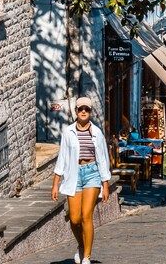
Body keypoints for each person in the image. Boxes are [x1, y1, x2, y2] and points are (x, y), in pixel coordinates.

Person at [51, 96, 112, 264]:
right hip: (74, 175)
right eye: (80, 109)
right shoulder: (68, 132)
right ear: (76, 112)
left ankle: (87, 256)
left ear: (90, 112)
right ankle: (81, 244)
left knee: (86, 215)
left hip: (92, 173)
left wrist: (105, 184)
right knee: (74, 218)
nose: (83, 111)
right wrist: (55, 184)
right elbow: (62, 157)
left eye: (87, 109)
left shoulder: (97, 132)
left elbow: (103, 158)